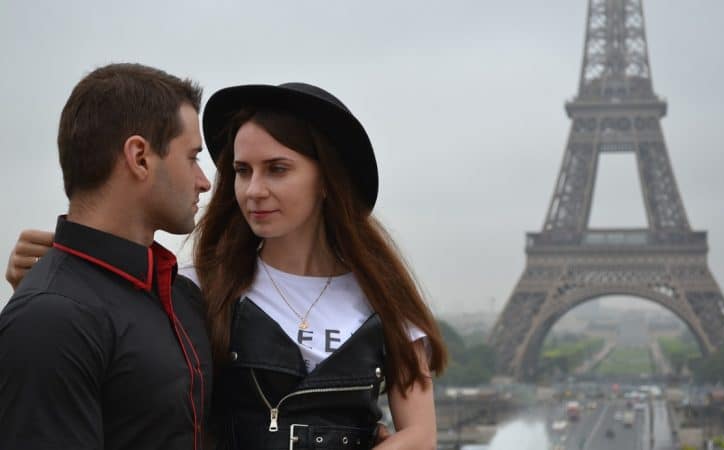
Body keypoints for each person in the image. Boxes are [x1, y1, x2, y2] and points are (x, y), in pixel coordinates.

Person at [6, 82, 446, 449]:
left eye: (276, 169)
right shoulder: (195, 287)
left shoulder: (383, 297)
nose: (253, 190)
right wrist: (56, 273)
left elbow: (421, 434)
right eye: (241, 170)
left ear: (328, 179)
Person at [0, 63, 213, 449]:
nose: (204, 180)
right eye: (192, 156)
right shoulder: (50, 317)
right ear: (140, 157)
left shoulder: (183, 298)